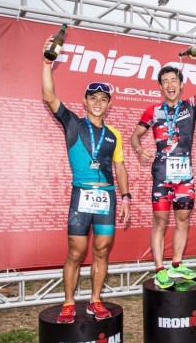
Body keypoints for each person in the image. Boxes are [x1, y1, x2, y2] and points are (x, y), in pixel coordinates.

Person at [41, 37, 131, 324]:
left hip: (107, 197)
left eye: (103, 99)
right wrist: (47, 62)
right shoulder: (73, 123)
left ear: (109, 104)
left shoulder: (114, 134)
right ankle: (69, 303)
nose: (98, 103)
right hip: (81, 195)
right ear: (85, 101)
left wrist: (126, 198)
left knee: (102, 251)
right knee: (76, 252)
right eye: (93, 98)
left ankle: (95, 300)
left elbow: (120, 167)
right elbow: (49, 96)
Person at [130, 52, 196, 288]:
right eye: (165, 81)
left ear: (181, 84)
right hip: (161, 174)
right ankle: (160, 268)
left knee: (183, 219)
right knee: (160, 221)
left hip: (184, 176)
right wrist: (139, 149)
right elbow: (135, 135)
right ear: (160, 87)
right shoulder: (152, 111)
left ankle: (177, 264)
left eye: (174, 80)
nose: (170, 85)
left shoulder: (191, 106)